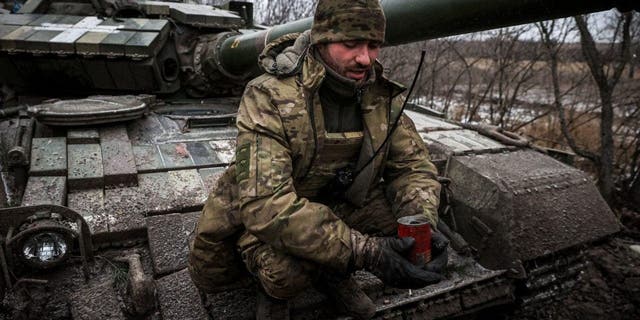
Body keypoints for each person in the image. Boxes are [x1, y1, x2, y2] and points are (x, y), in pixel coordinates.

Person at [189, 0, 448, 319]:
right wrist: (368, 253)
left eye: (373, 45)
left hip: (340, 202)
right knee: (285, 273)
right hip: (272, 216)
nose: (364, 58)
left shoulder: (377, 95)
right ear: (322, 40)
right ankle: (272, 289)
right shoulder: (270, 95)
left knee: (404, 230)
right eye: (351, 44)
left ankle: (333, 270)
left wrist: (421, 222)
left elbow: (413, 169)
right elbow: (266, 205)